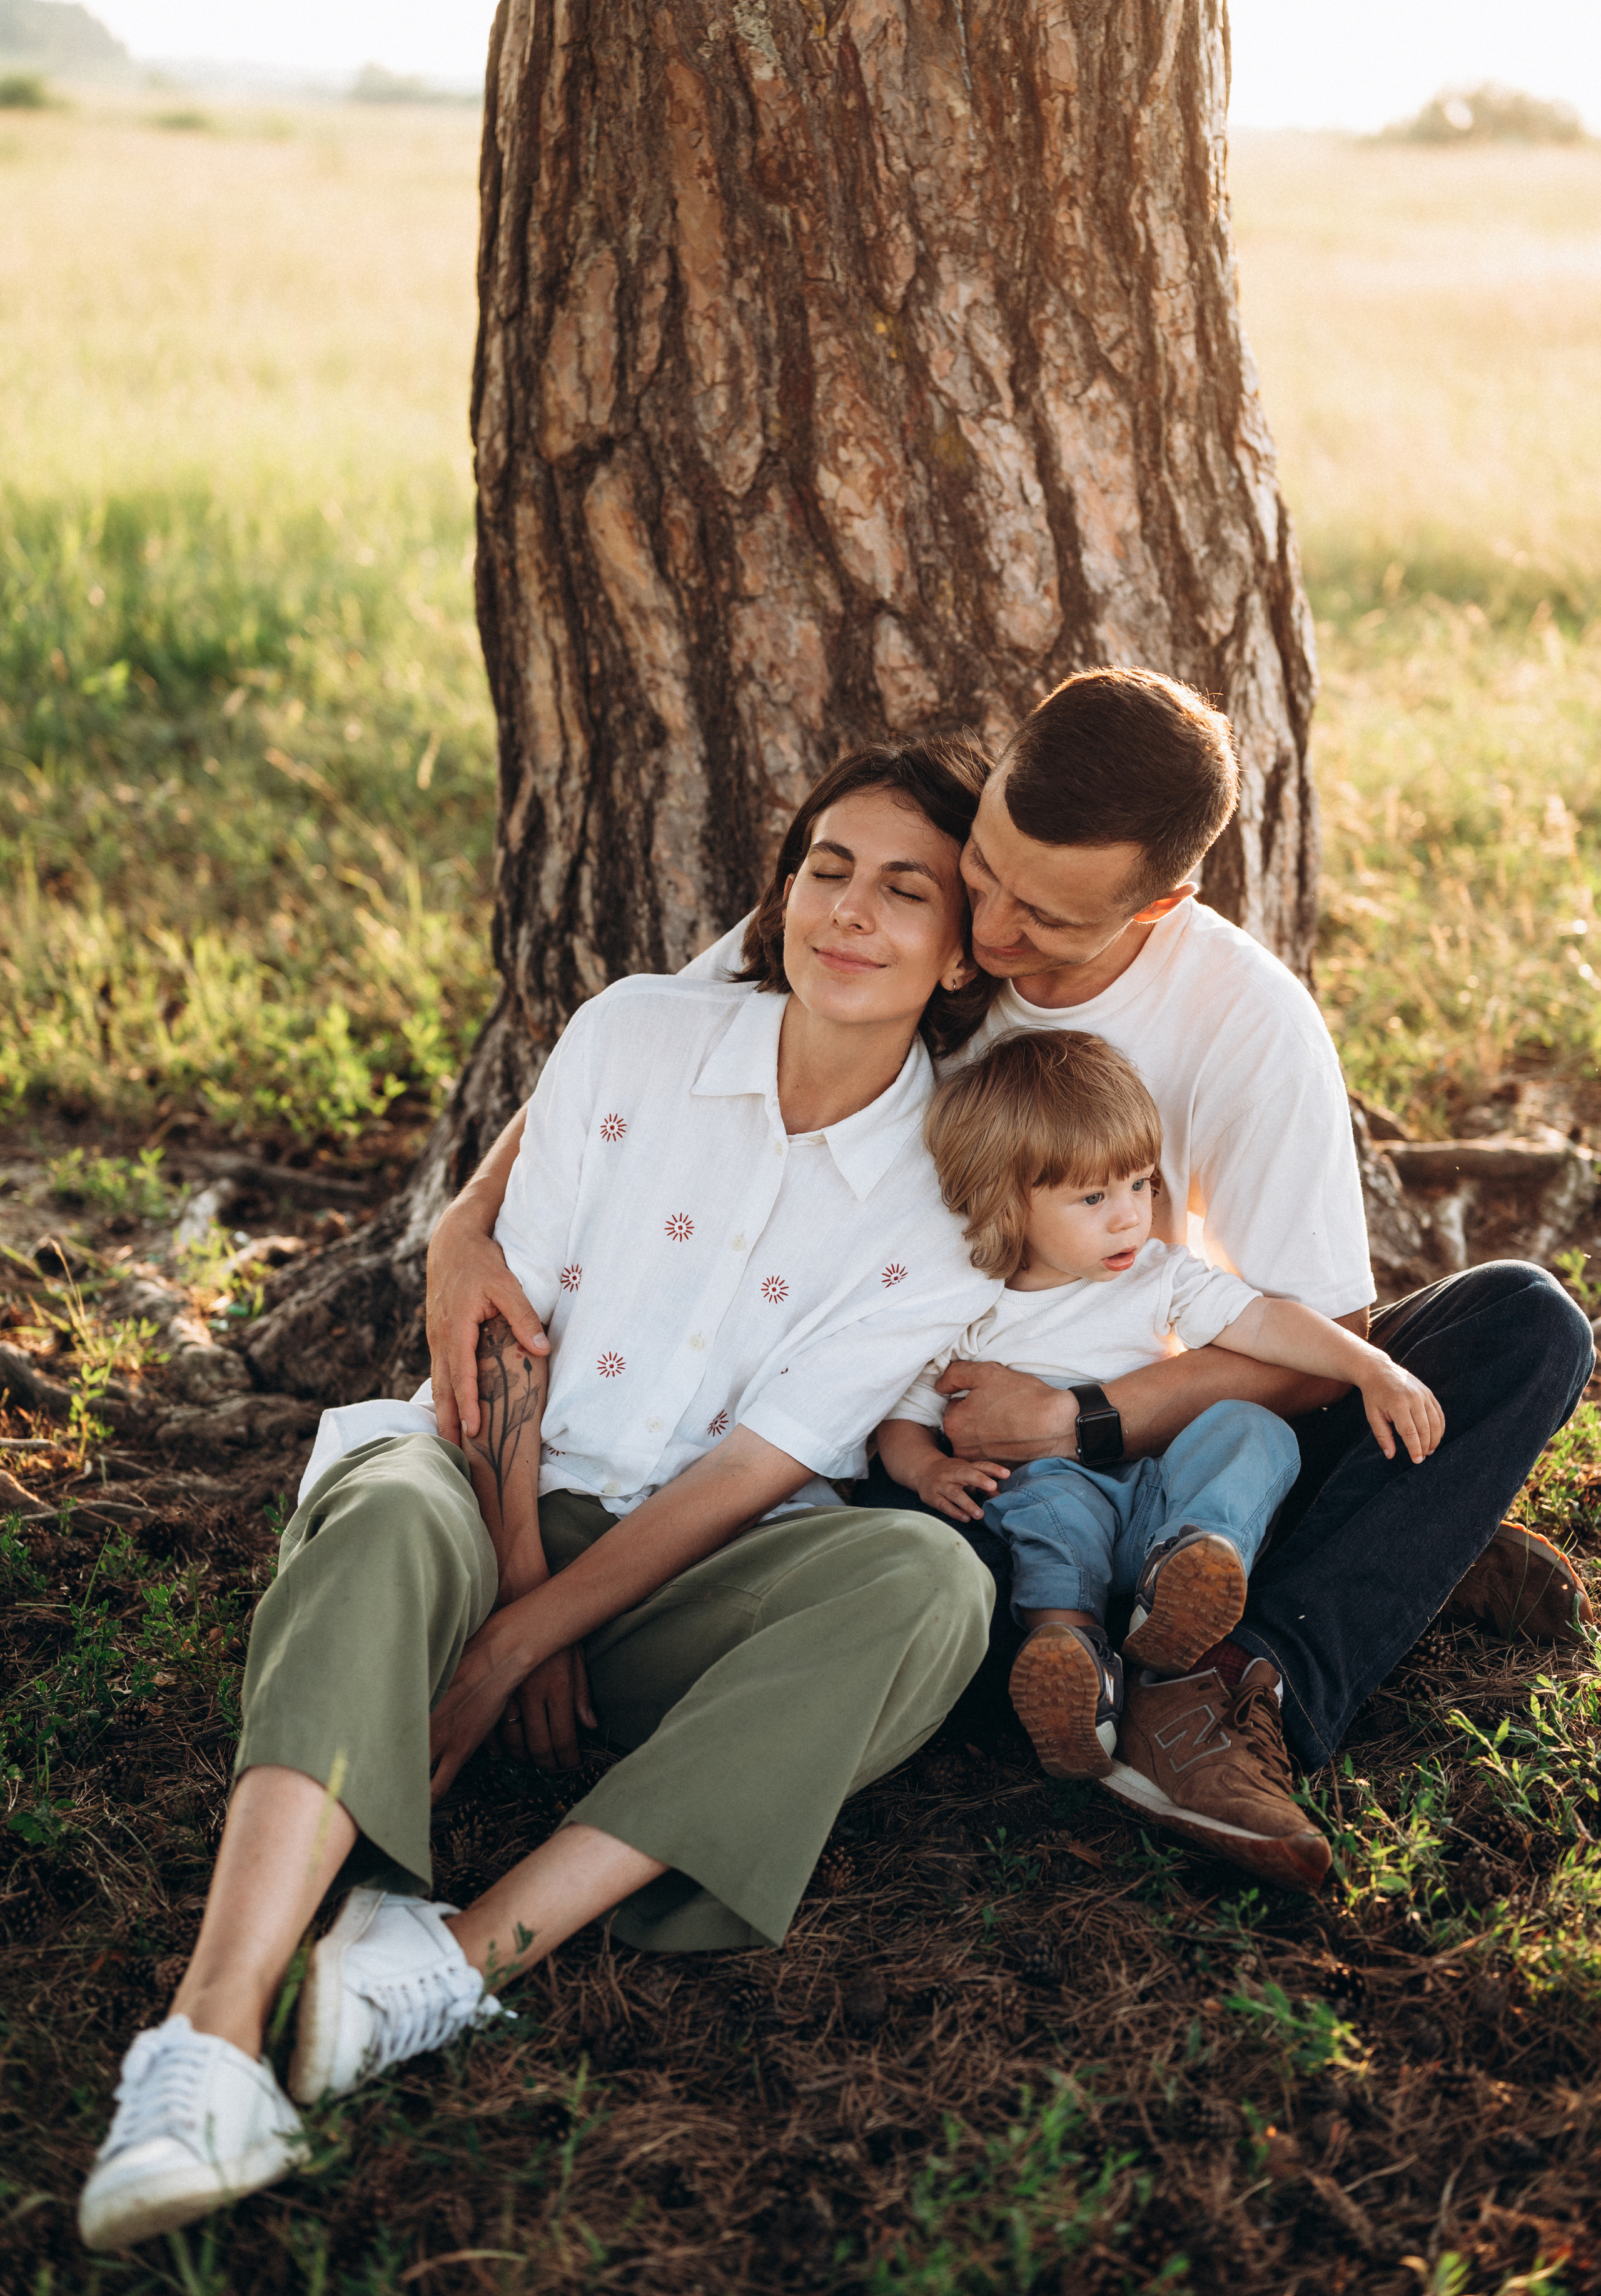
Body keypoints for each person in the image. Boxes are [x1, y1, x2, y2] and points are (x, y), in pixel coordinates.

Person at [425, 670, 1594, 1889]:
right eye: (984, 872)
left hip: (1151, 1389)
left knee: (1518, 1325)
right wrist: (467, 1221)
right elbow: (662, 1030)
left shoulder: (1246, 1018)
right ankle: (1309, 1570)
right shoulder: (904, 885)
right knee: (919, 1564)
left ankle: (1233, 1683)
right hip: (943, 1444)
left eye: (1043, 918)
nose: (986, 935)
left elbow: (1326, 1331)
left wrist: (1078, 1416)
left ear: (1160, 902)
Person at [78, 740, 1007, 2253]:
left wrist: (532, 1642)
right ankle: (206, 2041)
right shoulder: (637, 1035)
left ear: (963, 946)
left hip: (691, 1577)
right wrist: (512, 1593)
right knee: (382, 1513)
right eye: (825, 868)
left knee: (929, 1586)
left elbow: (752, 1471)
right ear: (778, 891)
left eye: (906, 890)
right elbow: (505, 1328)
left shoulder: (954, 1184)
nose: (850, 911)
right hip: (480, 1486)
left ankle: (442, 1960)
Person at [876, 1029, 1441, 1879]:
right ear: (1006, 1202)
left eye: (1142, 1184)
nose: (1133, 1215)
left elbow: (1266, 1327)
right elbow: (899, 1417)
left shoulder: (1162, 1275)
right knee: (1044, 1500)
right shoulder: (970, 1310)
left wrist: (1372, 1365)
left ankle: (1186, 1579)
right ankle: (1072, 1670)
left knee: (1253, 1428)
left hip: (1163, 1491)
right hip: (1061, 1502)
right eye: (1095, 1197)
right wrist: (927, 1468)